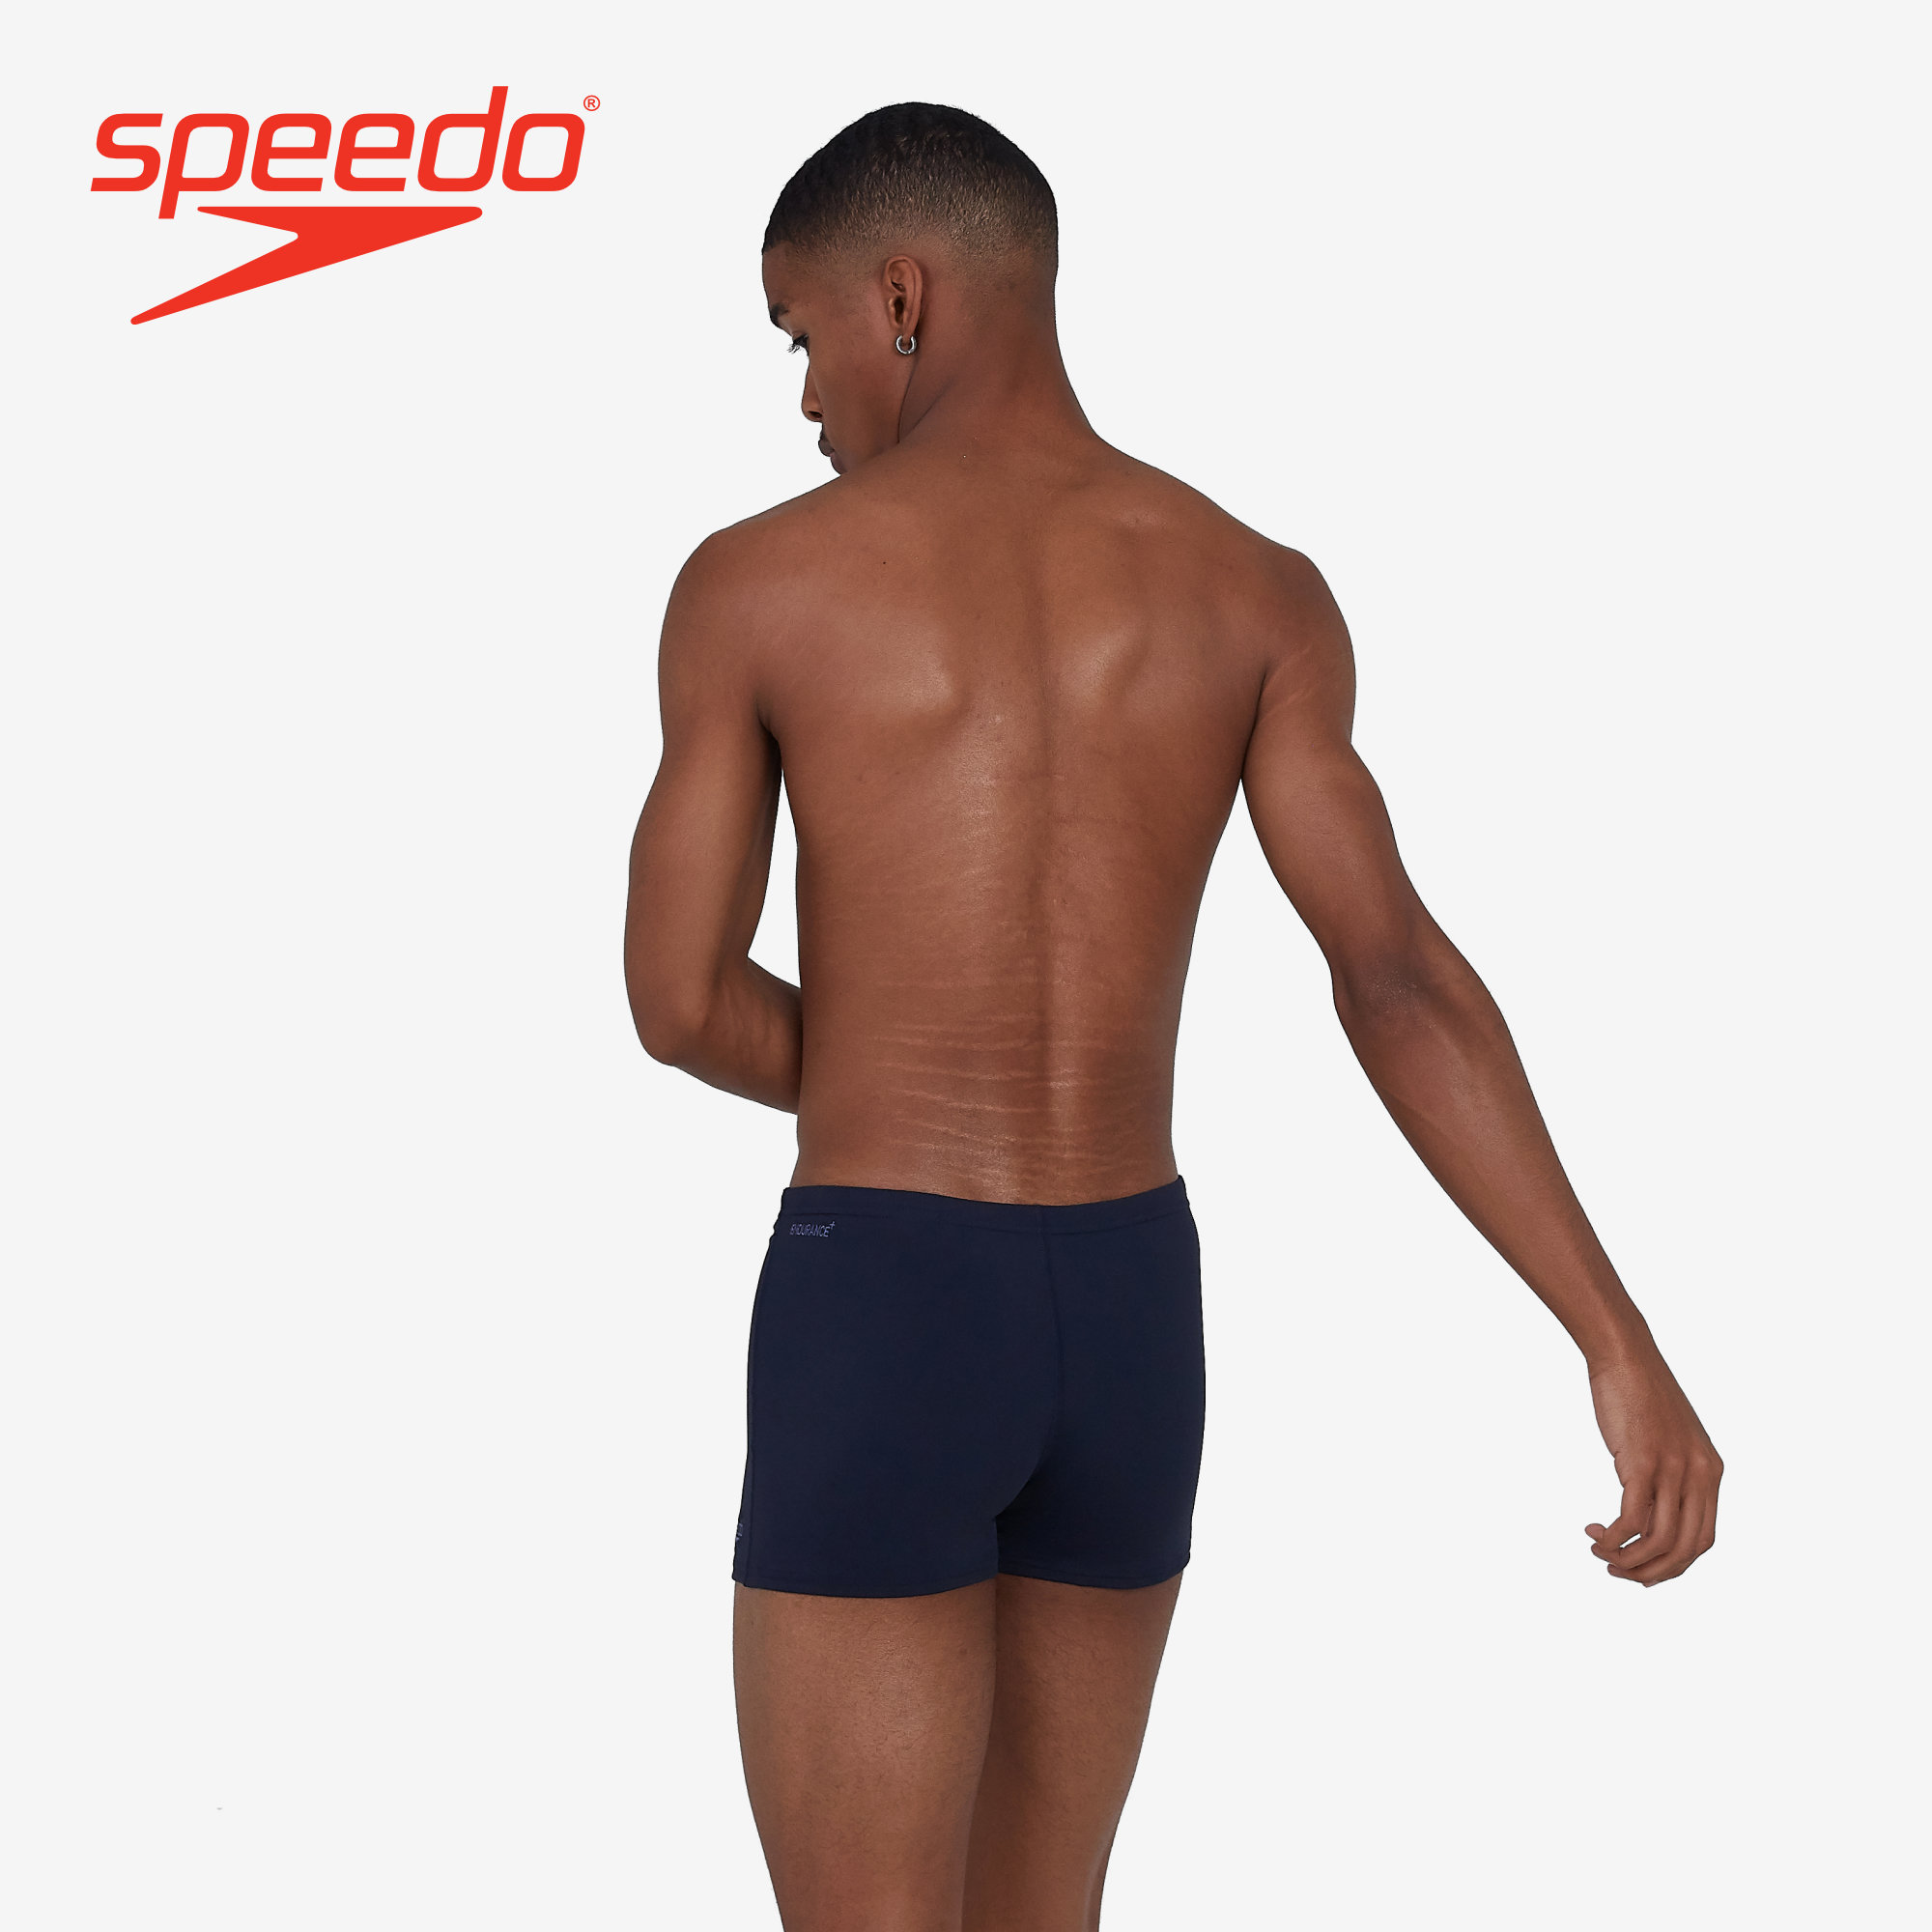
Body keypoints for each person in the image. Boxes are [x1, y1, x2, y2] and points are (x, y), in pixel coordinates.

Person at [623, 101, 1722, 1932]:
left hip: (891, 1295)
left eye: (798, 333)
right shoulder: (1253, 588)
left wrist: (898, 1074)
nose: (805, 397)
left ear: (900, 295)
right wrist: (1614, 1337)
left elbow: (676, 1001)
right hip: (1133, 1309)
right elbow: (1398, 976)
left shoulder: (758, 581)